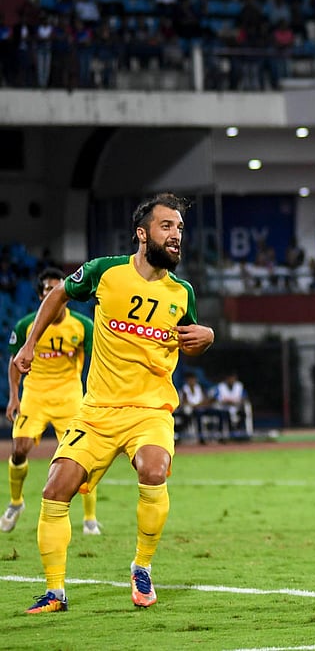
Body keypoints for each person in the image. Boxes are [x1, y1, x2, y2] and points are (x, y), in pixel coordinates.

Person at [13, 193, 215, 613]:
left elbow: (190, 339)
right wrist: (29, 345)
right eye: (166, 226)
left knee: (154, 470)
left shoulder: (182, 292)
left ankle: (142, 567)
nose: (176, 235)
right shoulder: (105, 272)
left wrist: (207, 337)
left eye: (179, 228)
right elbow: (57, 297)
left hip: (150, 411)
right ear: (142, 234)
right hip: (98, 411)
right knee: (55, 489)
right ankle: (55, 592)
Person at [3, 268, 100, 536]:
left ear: (65, 295)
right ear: (40, 295)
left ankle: (90, 519)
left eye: (57, 289)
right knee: (19, 448)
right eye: (47, 289)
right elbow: (15, 362)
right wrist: (14, 395)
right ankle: (15, 503)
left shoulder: (83, 326)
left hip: (69, 396)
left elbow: (96, 362)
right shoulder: (26, 326)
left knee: (82, 458)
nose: (52, 293)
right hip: (34, 395)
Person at [213, 371, 249, 440]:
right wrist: (227, 402)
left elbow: (244, 398)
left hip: (236, 408)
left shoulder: (239, 386)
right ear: (226, 379)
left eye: (233, 379)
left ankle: (239, 432)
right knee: (225, 414)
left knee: (243, 414)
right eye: (230, 379)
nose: (231, 380)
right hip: (223, 408)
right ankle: (227, 436)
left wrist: (238, 402)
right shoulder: (221, 386)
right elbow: (216, 398)